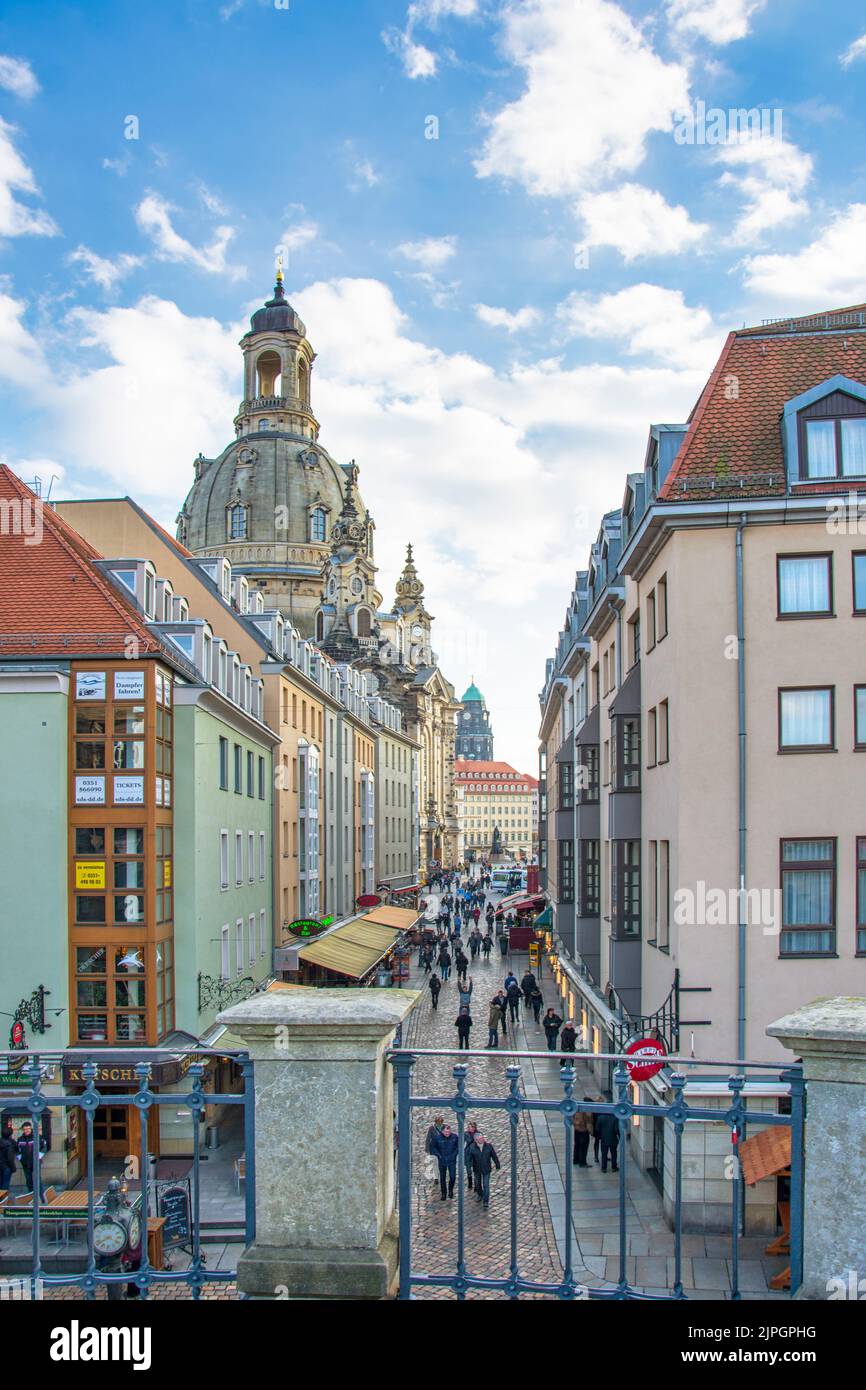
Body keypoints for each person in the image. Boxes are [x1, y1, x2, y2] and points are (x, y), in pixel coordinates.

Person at [469, 1132, 501, 1209]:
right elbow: (469, 1158)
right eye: (480, 1138)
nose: (482, 1139)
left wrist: (497, 1164)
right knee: (478, 1184)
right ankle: (480, 1195)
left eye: (482, 1138)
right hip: (477, 1169)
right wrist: (469, 1166)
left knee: (486, 1185)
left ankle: (486, 1201)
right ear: (476, 1140)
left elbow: (494, 1156)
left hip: (486, 1169)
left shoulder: (489, 1146)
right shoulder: (472, 1147)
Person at [16, 1120, 46, 1197]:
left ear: (31, 1129)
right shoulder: (20, 1139)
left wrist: (39, 1156)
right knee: (28, 1180)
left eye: (28, 1129)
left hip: (35, 1161)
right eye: (25, 1129)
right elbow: (17, 1149)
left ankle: (41, 1196)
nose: (27, 1131)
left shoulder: (37, 1137)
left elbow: (44, 1146)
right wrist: (20, 1158)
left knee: (37, 1179)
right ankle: (31, 1195)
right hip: (25, 1162)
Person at [432, 1123, 459, 1199]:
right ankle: (444, 1193)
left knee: (453, 1177)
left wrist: (454, 1155)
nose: (447, 1134)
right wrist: (439, 1156)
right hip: (442, 1160)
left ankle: (450, 1190)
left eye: (448, 1132)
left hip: (452, 1160)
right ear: (442, 1131)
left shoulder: (454, 1137)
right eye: (446, 1132)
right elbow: (433, 1148)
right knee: (442, 1178)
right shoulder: (437, 1138)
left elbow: (458, 1147)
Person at [572, 1102, 595, 1167]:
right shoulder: (587, 1112)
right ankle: (582, 1162)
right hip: (584, 1131)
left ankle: (576, 1160)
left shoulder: (577, 1109)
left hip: (576, 1129)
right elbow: (589, 1123)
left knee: (577, 1145)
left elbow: (572, 1118)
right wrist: (592, 1133)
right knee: (583, 1147)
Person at [0, 1119, 17, 1191]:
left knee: (1, 1183)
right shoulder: (10, 1144)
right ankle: (3, 1200)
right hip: (6, 1166)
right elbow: (10, 1158)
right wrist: (13, 1168)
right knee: (5, 1184)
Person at [464, 1120, 478, 1190]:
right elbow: (462, 1142)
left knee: (476, 1169)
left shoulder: (478, 1133)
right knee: (468, 1168)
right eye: (469, 1127)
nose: (470, 1129)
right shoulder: (466, 1134)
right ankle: (470, 1182)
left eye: (471, 1127)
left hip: (476, 1153)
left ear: (474, 1128)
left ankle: (476, 1184)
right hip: (468, 1153)